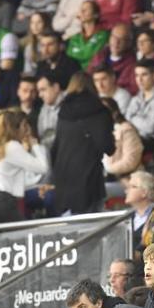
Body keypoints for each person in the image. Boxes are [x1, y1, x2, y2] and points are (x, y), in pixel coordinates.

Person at [51, 72, 115, 215]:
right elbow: (107, 146)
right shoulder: (99, 111)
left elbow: (56, 146)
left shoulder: (63, 112)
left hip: (64, 175)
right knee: (91, 224)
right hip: (89, 175)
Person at [0, 109, 48, 225]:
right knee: (23, 236)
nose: (27, 130)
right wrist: (35, 144)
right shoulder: (12, 147)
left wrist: (38, 186)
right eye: (25, 125)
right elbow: (42, 167)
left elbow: (9, 179)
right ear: (15, 128)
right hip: (0, 200)